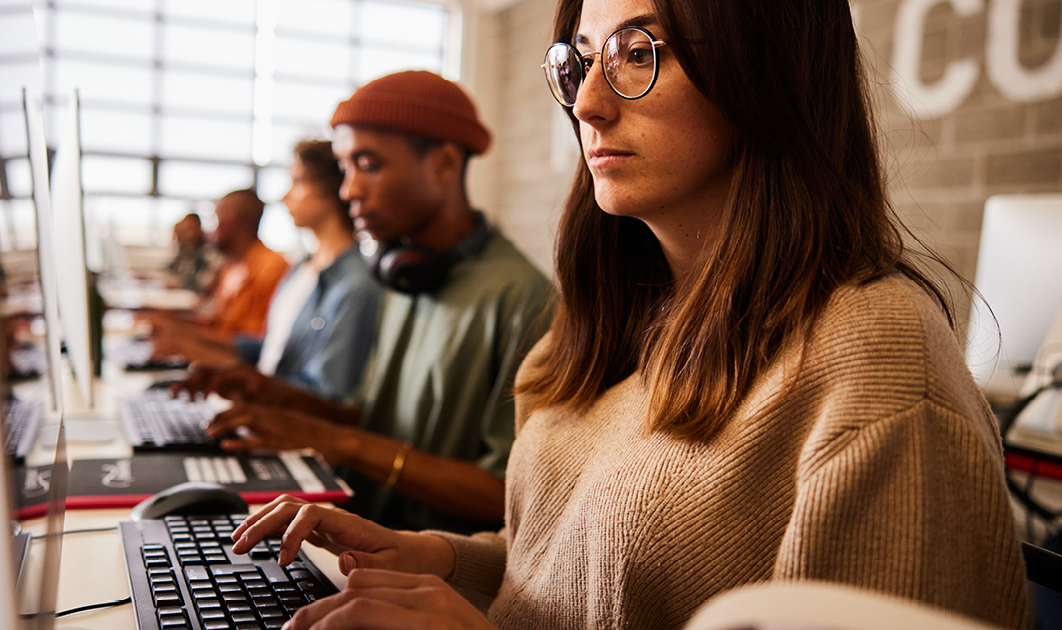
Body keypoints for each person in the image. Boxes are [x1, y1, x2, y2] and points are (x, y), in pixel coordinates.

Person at [219, 0, 1028, 628]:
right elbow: (565, 574)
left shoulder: (878, 361)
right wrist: (430, 558)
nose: (589, 104)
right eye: (579, 64)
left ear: (765, 70)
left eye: (638, 54)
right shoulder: (620, 320)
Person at [177, 71, 555, 534]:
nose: (348, 190)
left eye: (368, 164)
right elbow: (374, 418)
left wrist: (339, 441)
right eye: (345, 166)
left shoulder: (523, 299)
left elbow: (506, 491)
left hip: (431, 568)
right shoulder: (404, 275)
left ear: (443, 164)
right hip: (360, 533)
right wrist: (272, 394)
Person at [233, 138, 385, 403]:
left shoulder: (356, 286)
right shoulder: (301, 267)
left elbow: (328, 394)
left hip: (281, 422)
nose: (285, 196)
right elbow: (273, 353)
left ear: (333, 191)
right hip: (262, 408)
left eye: (298, 182)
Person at [146, 189, 288, 366]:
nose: (209, 229)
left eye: (215, 218)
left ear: (232, 218)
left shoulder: (272, 268)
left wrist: (189, 340)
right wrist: (174, 323)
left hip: (235, 372)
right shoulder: (230, 266)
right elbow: (219, 324)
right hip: (214, 362)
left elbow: (255, 344)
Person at [165, 212, 224, 296]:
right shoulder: (186, 251)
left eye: (188, 229)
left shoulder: (208, 253)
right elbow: (170, 270)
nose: (185, 234)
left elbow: (204, 285)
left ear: (199, 229)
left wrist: (179, 284)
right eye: (182, 231)